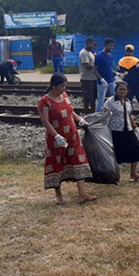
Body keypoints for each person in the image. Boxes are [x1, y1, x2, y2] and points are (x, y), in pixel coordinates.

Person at [38, 73, 97, 205]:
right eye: (62, 86)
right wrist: (56, 136)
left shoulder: (64, 96)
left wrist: (80, 120)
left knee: (78, 159)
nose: (64, 89)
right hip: (56, 138)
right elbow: (45, 121)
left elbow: (71, 111)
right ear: (54, 86)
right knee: (56, 163)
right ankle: (58, 195)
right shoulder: (44, 101)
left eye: (65, 86)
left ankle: (83, 194)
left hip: (72, 134)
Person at [102, 81, 139, 182]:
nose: (122, 91)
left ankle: (133, 174)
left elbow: (129, 116)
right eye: (120, 89)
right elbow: (104, 115)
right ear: (116, 90)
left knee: (135, 149)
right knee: (116, 154)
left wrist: (136, 128)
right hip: (116, 130)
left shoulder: (127, 101)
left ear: (127, 91)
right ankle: (115, 175)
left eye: (124, 89)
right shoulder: (110, 101)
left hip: (128, 129)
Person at [116, 44, 139, 110]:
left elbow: (119, 73)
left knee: (128, 97)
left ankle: (130, 110)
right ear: (133, 51)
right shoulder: (136, 61)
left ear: (126, 51)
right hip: (135, 82)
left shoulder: (121, 61)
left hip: (126, 82)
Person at [94, 38, 116, 112]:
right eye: (110, 45)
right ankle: (98, 115)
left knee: (116, 97)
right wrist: (101, 79)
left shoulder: (110, 56)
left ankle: (115, 111)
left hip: (111, 81)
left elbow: (108, 68)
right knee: (101, 100)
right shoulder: (99, 56)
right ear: (105, 45)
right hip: (102, 83)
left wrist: (116, 74)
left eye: (113, 45)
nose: (112, 47)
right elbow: (95, 70)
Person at [78, 37, 98, 114]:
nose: (92, 46)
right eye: (90, 44)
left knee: (93, 98)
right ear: (86, 44)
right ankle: (86, 114)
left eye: (93, 44)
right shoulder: (84, 53)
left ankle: (93, 113)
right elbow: (86, 65)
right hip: (86, 78)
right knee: (87, 98)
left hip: (92, 78)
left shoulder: (90, 53)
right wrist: (96, 67)